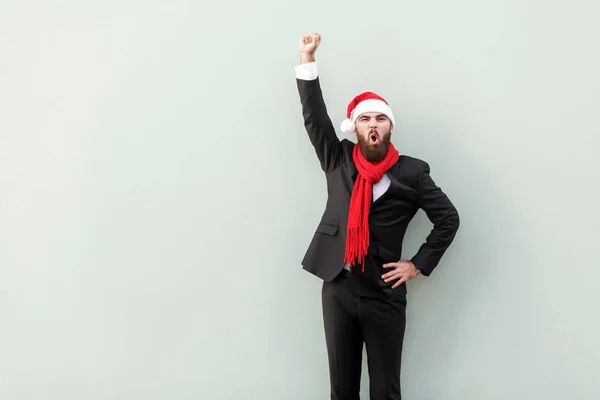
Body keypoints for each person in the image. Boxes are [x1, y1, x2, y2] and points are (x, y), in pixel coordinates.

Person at [295, 32, 460, 400]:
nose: (373, 125)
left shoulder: (411, 173)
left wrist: (416, 265)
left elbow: (448, 218)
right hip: (338, 287)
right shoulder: (338, 160)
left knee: (385, 390)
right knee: (342, 389)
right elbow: (314, 117)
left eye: (380, 119)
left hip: (384, 294)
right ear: (354, 128)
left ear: (390, 128)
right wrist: (307, 58)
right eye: (365, 119)